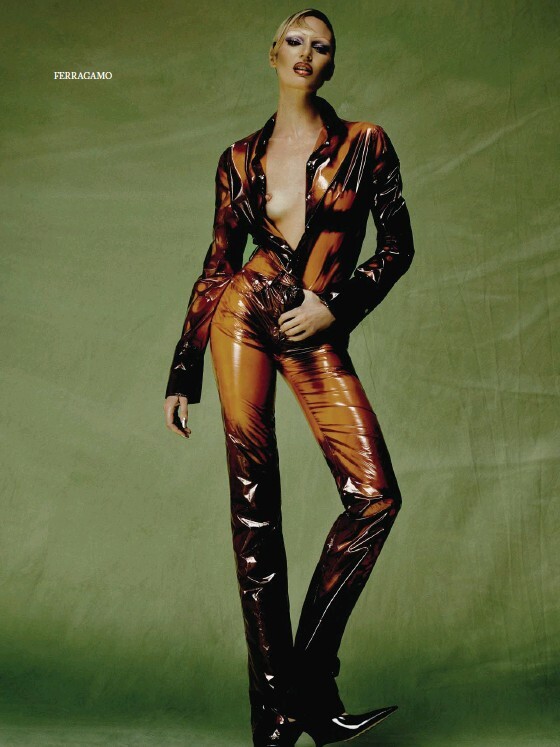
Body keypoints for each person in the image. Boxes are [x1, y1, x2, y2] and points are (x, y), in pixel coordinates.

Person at [163, 8, 415, 746]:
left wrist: (336, 306)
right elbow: (218, 265)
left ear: (332, 65)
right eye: (296, 41)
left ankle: (308, 682)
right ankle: (273, 716)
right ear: (273, 53)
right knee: (254, 512)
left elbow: (397, 246)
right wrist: (183, 370)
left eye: (322, 47)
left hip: (313, 326)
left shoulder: (365, 143)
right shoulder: (238, 159)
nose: (307, 53)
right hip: (242, 314)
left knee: (374, 497)